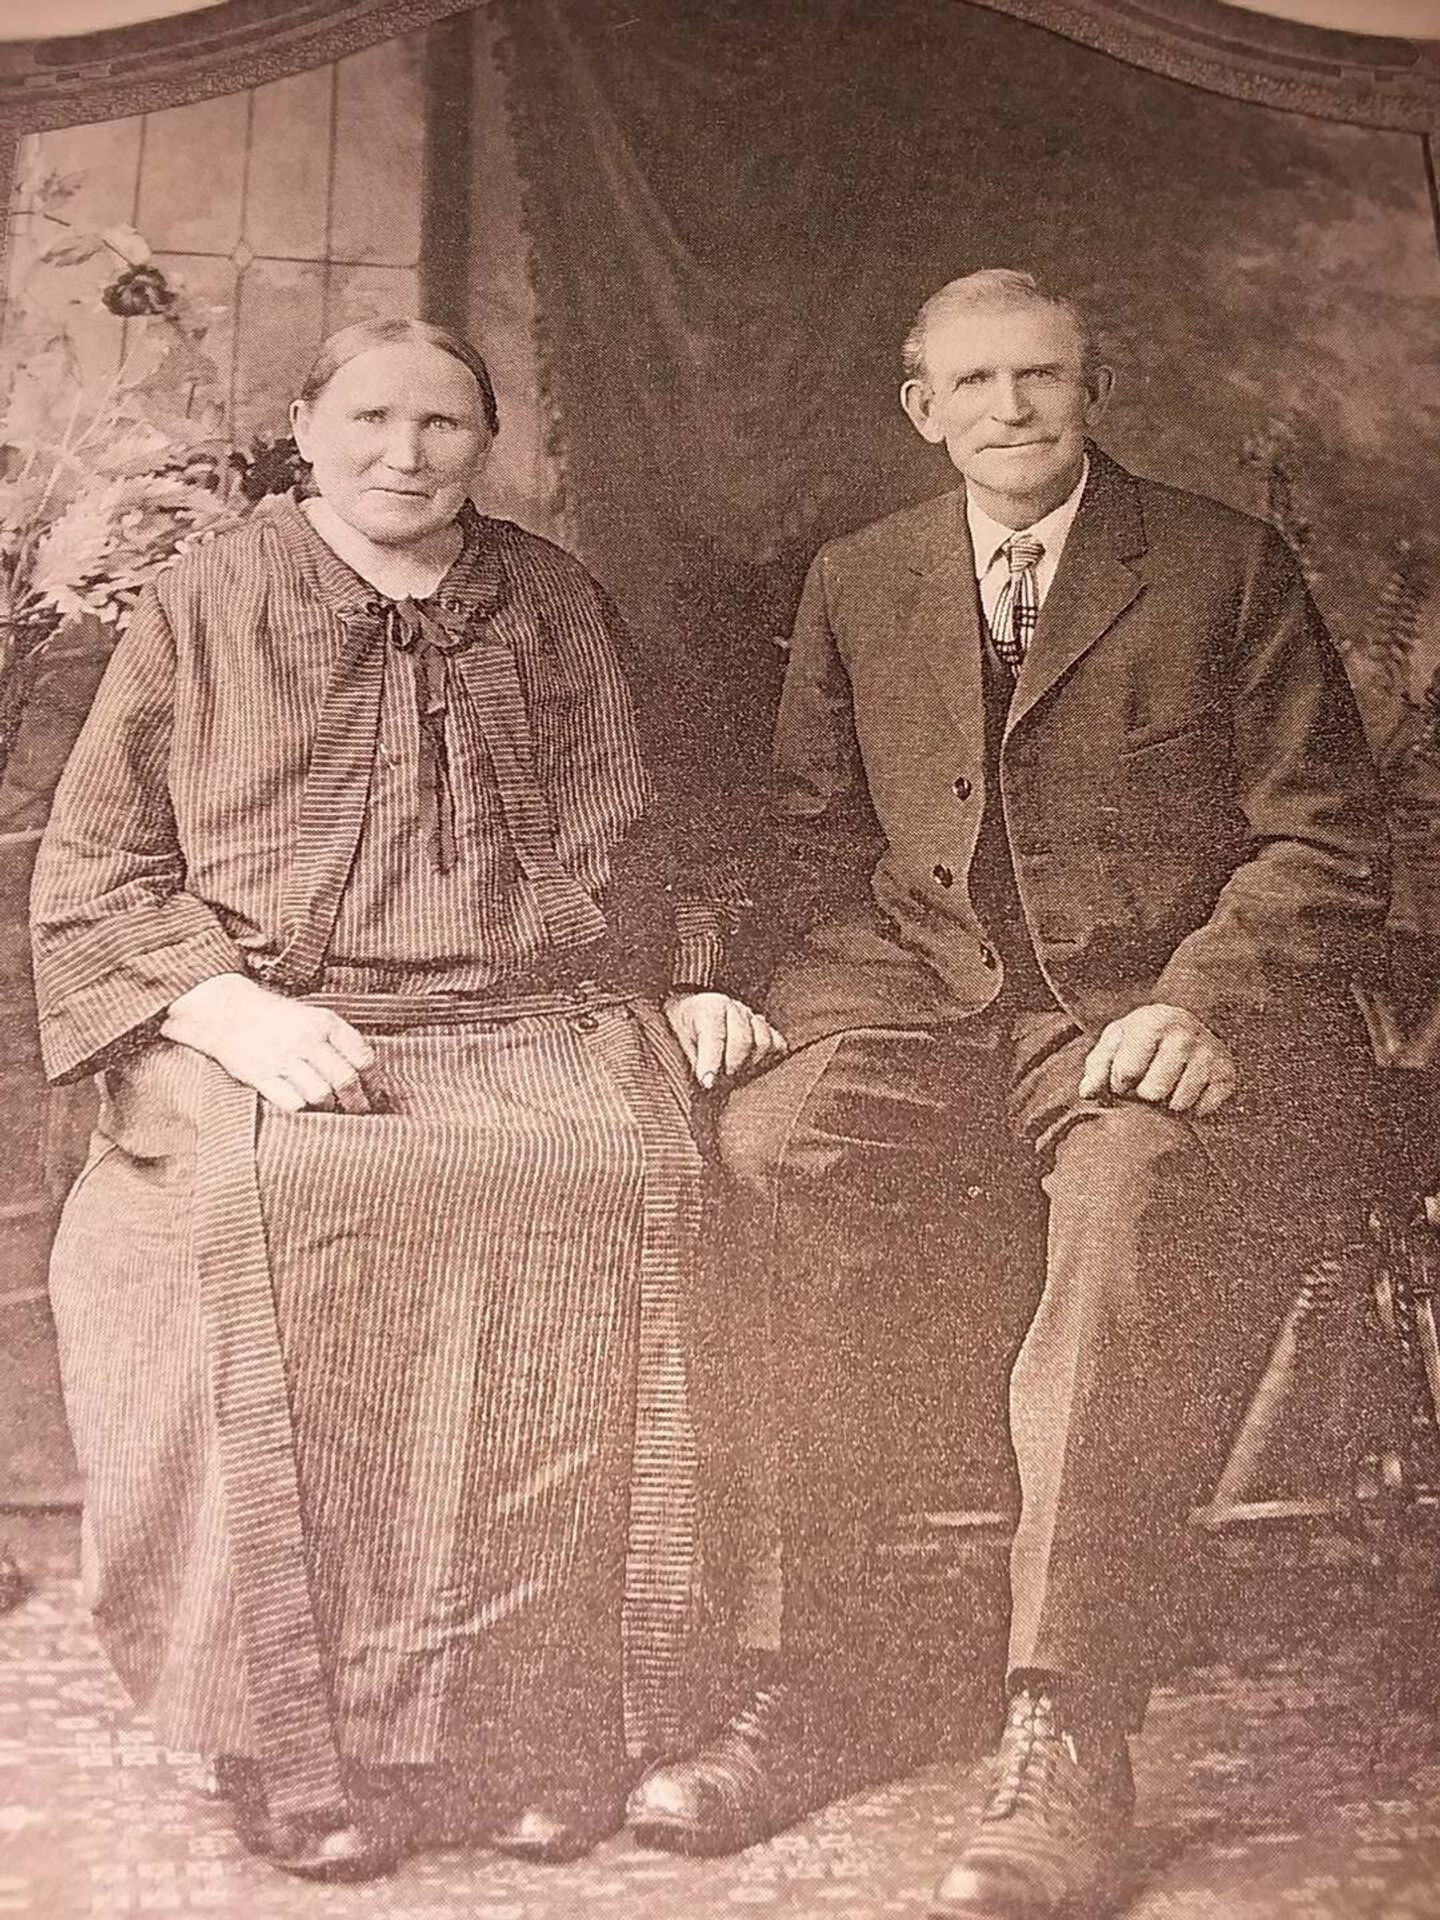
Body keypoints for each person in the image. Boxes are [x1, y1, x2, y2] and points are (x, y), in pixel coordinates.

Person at [625, 270, 1391, 1918]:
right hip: (909, 1000)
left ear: (1092, 391)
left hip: (1136, 1012)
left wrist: (1206, 998)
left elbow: (1324, 837)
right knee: (766, 1153)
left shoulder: (1220, 566)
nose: (1012, 411)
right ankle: (801, 1674)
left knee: (1124, 1198)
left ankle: (1064, 1726)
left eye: (1042, 377)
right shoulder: (860, 577)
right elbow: (814, 834)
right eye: (974, 384)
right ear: (923, 408)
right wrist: (729, 990)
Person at [31, 317, 782, 1884]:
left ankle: (548, 1722)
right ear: (303, 428)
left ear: (484, 441)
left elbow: (648, 834)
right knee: (257, 1211)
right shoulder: (204, 600)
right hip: (258, 1022)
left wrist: (694, 971)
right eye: (370, 417)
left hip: (534, 1012)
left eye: (444, 423)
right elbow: (101, 865)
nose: (405, 454)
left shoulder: (554, 600)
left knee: (611, 1190)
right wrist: (224, 1006)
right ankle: (288, 1736)